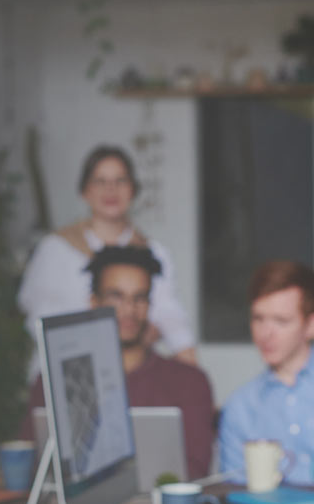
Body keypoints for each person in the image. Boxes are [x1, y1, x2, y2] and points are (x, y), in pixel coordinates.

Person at [23, 246, 216, 480]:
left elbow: (194, 472)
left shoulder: (189, 382)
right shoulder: (52, 382)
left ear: (149, 305)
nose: (129, 310)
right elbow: (31, 470)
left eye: (139, 298)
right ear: (94, 302)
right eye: (117, 297)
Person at [17, 145, 197, 373]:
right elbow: (40, 319)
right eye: (100, 181)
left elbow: (170, 317)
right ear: (85, 191)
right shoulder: (56, 249)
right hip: (64, 371)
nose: (111, 190)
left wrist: (190, 367)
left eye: (120, 181)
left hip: (130, 374)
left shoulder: (152, 253)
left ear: (133, 190)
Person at [218, 261, 314, 487]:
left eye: (281, 321)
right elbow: (235, 494)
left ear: (312, 325)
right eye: (258, 318)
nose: (266, 333)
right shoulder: (240, 407)